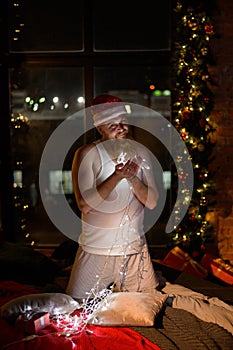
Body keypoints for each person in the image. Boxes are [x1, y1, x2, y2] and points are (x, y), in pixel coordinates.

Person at [66, 94, 160, 301]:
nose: (120, 128)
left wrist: (133, 178)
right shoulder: (86, 153)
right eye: (112, 124)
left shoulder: (141, 155)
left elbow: (152, 202)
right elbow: (85, 205)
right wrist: (117, 176)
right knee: (76, 307)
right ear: (100, 127)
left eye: (123, 123)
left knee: (143, 308)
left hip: (134, 251)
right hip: (96, 250)